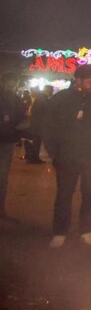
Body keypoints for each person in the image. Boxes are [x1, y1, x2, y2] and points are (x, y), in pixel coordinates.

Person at [41, 65, 91, 247]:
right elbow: (48, 126)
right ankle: (60, 232)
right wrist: (54, 151)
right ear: (78, 80)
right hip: (67, 157)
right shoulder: (61, 99)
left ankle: (87, 230)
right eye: (90, 82)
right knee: (64, 195)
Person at [0, 74, 22, 216]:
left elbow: (20, 117)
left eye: (14, 82)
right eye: (9, 82)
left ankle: (1, 207)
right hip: (6, 137)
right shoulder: (11, 98)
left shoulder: (15, 99)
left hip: (7, 139)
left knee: (3, 176)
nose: (12, 85)